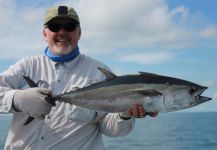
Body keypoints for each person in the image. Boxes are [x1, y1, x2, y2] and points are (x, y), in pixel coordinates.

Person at [0, 5, 158, 150]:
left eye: (69, 27)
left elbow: (109, 128)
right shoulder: (25, 66)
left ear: (79, 32)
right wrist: (15, 98)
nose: (62, 32)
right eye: (55, 27)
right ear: (44, 33)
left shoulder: (98, 72)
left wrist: (124, 115)